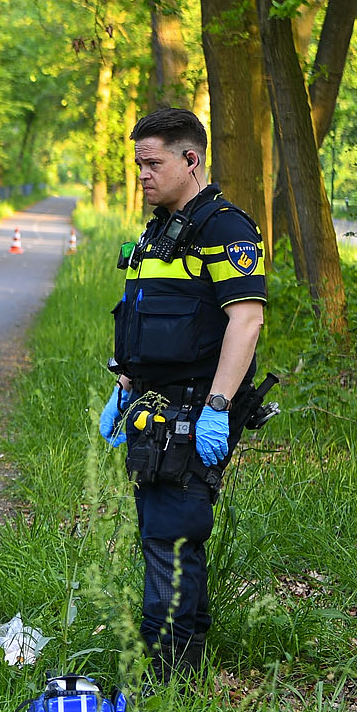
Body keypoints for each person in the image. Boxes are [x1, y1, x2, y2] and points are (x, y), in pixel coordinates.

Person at [99, 107, 266, 680]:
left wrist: (218, 407)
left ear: (191, 159)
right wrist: (124, 387)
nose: (142, 174)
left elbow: (245, 320)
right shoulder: (158, 229)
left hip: (194, 410)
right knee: (163, 539)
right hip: (152, 408)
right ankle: (175, 671)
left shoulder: (224, 228)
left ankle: (169, 678)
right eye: (138, 163)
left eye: (153, 163)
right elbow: (147, 322)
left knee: (171, 540)